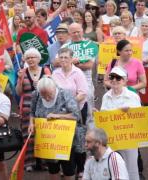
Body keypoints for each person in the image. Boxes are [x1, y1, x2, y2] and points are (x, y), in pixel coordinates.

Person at [28, 76, 81, 180]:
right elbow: (32, 112)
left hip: (65, 141)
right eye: (44, 96)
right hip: (47, 140)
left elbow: (76, 116)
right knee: (52, 169)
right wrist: (31, 123)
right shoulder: (36, 94)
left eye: (50, 95)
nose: (47, 98)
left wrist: (59, 116)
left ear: (54, 88)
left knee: (68, 170)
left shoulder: (65, 94)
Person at [52, 47, 88, 178]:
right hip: (60, 112)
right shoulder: (55, 73)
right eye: (61, 57)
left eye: (66, 57)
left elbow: (83, 93)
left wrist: (69, 103)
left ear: (72, 59)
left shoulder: (78, 73)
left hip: (77, 110)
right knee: (64, 139)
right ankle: (68, 167)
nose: (63, 60)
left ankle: (81, 169)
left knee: (78, 140)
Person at [101, 66, 141, 180]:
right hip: (112, 139)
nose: (114, 80)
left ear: (124, 81)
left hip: (129, 138)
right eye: (112, 77)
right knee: (114, 168)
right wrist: (98, 115)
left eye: (118, 78)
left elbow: (140, 119)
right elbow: (104, 119)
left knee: (131, 168)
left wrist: (128, 113)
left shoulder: (133, 96)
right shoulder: (106, 97)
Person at [16, 48, 51, 171]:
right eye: (28, 58)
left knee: (43, 134)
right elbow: (19, 92)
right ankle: (29, 163)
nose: (31, 60)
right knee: (28, 135)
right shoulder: (22, 72)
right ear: (25, 59)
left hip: (43, 106)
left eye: (33, 57)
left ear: (38, 59)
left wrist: (43, 84)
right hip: (26, 106)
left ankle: (44, 162)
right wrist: (20, 80)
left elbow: (52, 87)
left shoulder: (46, 70)